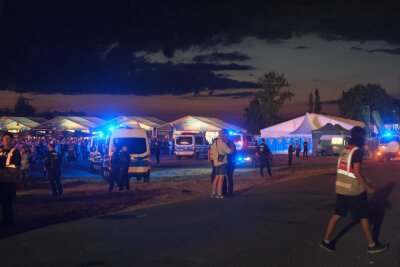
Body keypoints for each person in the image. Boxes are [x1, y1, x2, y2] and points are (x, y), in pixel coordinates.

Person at [320, 126, 388, 253]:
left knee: (337, 214)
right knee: (364, 216)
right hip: (353, 190)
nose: (366, 138)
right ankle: (371, 245)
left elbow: (347, 170)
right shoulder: (357, 152)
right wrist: (368, 187)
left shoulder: (346, 149)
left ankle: (325, 241)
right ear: (361, 137)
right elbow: (356, 172)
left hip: (341, 188)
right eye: (365, 136)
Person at [0, 132, 21, 228]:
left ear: (12, 140)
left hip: (9, 181)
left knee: (7, 203)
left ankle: (8, 222)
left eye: (8, 138)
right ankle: (5, 221)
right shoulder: (0, 151)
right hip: (1, 181)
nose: (6, 140)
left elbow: (17, 167)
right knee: (3, 203)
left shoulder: (15, 152)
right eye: (4, 138)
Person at [210, 131, 232, 199]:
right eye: (225, 135)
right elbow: (229, 151)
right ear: (223, 136)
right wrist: (231, 147)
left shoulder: (214, 143)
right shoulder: (222, 143)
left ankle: (213, 192)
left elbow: (211, 152)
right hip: (222, 163)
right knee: (221, 178)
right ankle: (219, 193)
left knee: (216, 178)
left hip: (216, 163)